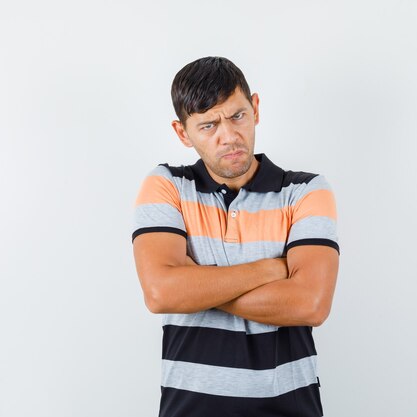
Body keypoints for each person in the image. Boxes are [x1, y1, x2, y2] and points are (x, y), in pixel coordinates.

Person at [131, 56, 339, 417]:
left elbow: (311, 304)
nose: (229, 136)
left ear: (255, 108)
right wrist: (270, 270)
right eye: (209, 125)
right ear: (183, 133)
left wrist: (193, 286)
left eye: (237, 116)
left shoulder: (305, 191)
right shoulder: (167, 186)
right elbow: (161, 292)